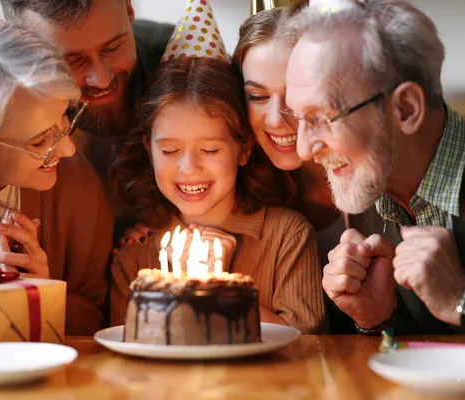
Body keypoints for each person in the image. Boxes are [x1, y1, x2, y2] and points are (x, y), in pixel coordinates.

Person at [285, 0, 465, 348]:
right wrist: (382, 316)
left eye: (322, 118)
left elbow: (461, 311)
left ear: (406, 109)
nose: (304, 150)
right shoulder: (371, 185)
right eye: (298, 118)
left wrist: (464, 299)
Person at [110, 57, 326, 334]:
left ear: (244, 149)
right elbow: (123, 351)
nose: (188, 168)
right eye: (169, 151)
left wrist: (217, 289)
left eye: (210, 150)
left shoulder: (287, 237)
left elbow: (309, 345)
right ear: (149, 150)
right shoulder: (135, 255)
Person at [0, 17, 113, 335]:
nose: (67, 149)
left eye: (65, 118)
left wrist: (42, 293)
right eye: (40, 140)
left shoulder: (77, 183)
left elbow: (94, 321)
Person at [0, 0, 174, 186]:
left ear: (129, 9)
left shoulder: (189, 58)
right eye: (73, 61)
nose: (102, 80)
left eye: (112, 48)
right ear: (21, 46)